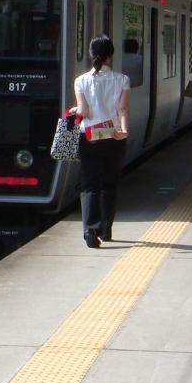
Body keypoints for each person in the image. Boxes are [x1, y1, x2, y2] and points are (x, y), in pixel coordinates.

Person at [74, 35, 130, 249]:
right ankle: (106, 230)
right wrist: (124, 130)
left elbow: (83, 111)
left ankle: (90, 230)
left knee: (89, 184)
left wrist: (75, 110)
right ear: (110, 56)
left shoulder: (81, 81)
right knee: (109, 184)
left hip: (89, 136)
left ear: (91, 55)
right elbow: (122, 109)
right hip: (113, 136)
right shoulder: (122, 79)